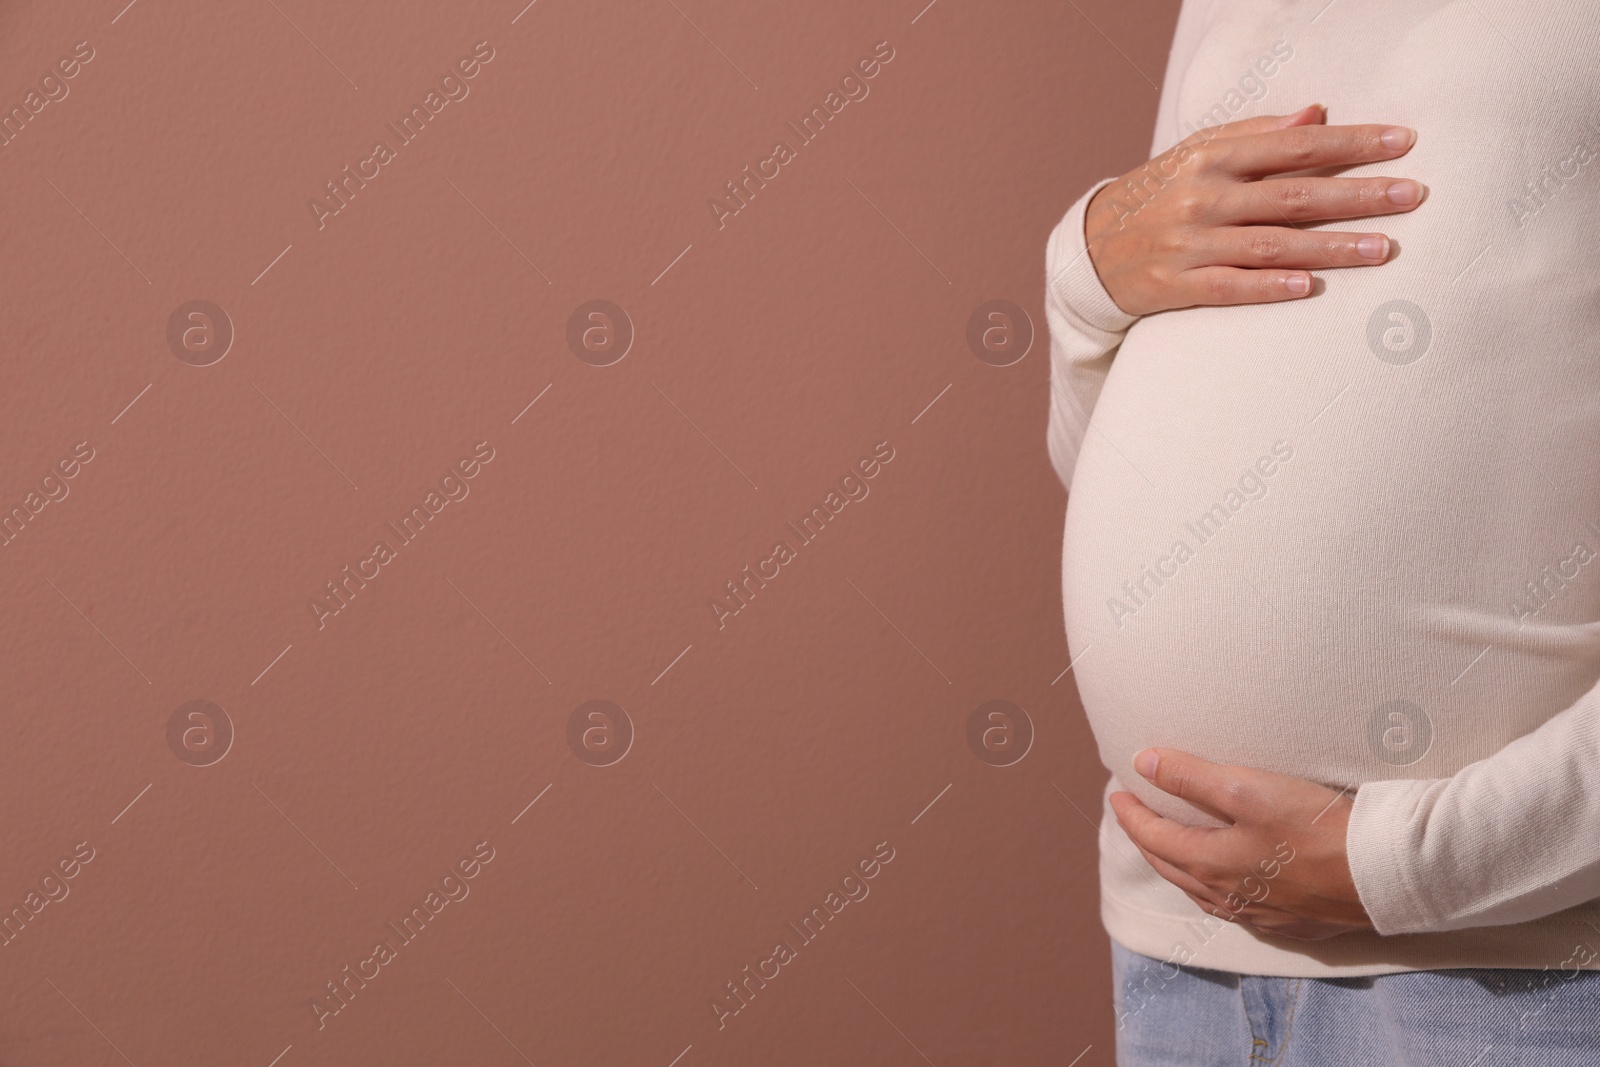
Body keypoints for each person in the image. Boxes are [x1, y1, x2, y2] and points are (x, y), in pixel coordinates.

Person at [1044, 1, 1600, 1062]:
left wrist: (1412, 864)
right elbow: (1095, 456)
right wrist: (1083, 276)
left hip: (1516, 967)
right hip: (1183, 956)